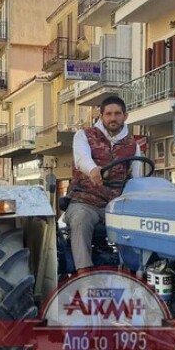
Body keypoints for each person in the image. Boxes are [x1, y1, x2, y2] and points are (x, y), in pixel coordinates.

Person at [65, 95, 144, 272]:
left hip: (115, 206)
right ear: (101, 116)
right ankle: (83, 273)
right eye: (108, 114)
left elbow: (137, 178)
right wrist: (93, 170)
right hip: (85, 202)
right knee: (80, 219)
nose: (113, 118)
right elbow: (81, 158)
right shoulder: (84, 135)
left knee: (139, 222)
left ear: (125, 116)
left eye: (117, 113)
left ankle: (136, 270)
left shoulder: (133, 145)